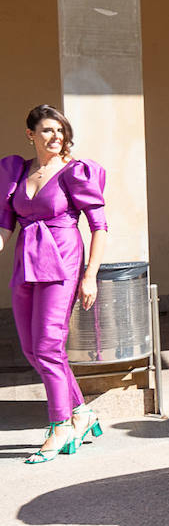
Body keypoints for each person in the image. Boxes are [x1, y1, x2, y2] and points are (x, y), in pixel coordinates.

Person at [0, 105, 108, 463]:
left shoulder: (74, 173)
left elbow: (98, 226)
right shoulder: (17, 172)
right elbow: (5, 226)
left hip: (62, 263)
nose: (55, 137)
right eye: (47, 130)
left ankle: (60, 426)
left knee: (48, 345)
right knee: (33, 350)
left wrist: (89, 276)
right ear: (30, 134)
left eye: (60, 130)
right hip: (26, 264)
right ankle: (82, 412)